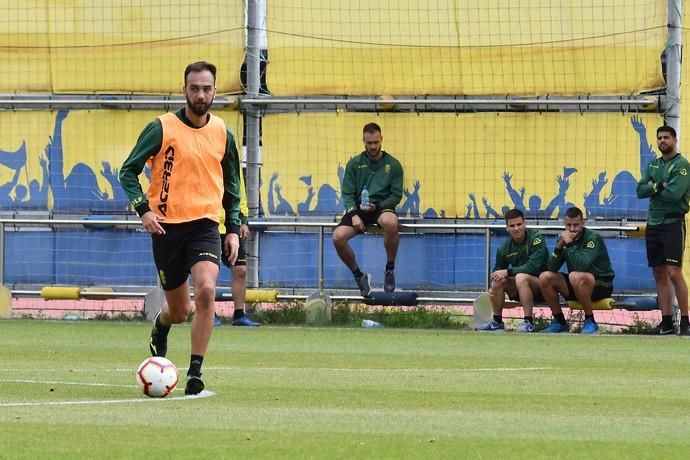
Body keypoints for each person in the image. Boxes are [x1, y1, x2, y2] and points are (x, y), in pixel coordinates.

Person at [119, 61, 242, 394]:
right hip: (166, 229)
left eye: (206, 88)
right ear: (184, 90)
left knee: (205, 291)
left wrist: (233, 228)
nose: (200, 94)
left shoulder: (223, 133)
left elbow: (232, 186)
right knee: (179, 309)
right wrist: (144, 211)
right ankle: (161, 326)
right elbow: (126, 172)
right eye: (194, 88)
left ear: (215, 91)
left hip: (204, 224)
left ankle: (195, 373)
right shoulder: (162, 127)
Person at [332, 122, 403, 297]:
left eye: (376, 142)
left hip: (381, 208)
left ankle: (389, 270)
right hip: (359, 209)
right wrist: (355, 215)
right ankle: (359, 276)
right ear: (363, 141)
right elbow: (347, 194)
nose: (373, 146)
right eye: (369, 143)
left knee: (391, 222)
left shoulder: (393, 165)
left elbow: (396, 196)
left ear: (381, 140)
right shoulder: (354, 164)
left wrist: (378, 206)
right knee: (338, 237)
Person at [636, 125, 690, 335]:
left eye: (666, 137)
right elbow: (640, 190)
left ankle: (685, 321)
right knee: (658, 272)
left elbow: (674, 195)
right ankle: (666, 322)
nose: (662, 141)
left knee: (674, 272)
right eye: (659, 138)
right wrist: (660, 186)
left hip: (672, 223)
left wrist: (654, 188)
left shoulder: (682, 166)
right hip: (654, 223)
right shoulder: (653, 165)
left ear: (675, 140)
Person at [539, 206, 615, 334]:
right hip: (577, 284)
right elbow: (551, 268)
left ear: (583, 223)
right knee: (545, 277)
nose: (572, 229)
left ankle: (590, 320)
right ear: (564, 224)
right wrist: (559, 247)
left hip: (601, 285)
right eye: (569, 225)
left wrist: (569, 244)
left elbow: (581, 265)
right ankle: (560, 321)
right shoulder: (564, 239)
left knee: (576, 275)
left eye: (576, 225)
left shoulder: (593, 238)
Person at [478, 208, 548, 333]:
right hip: (519, 287)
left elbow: (532, 267)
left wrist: (508, 272)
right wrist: (492, 287)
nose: (516, 228)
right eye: (512, 226)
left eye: (519, 224)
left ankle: (528, 322)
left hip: (543, 287)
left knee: (521, 276)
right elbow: (497, 272)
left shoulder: (537, 239)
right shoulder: (504, 248)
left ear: (524, 224)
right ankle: (497, 322)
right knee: (497, 281)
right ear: (507, 228)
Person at [219, 168, 259, 327]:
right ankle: (208, 313)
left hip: (231, 226)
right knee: (206, 272)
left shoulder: (230, 161)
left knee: (240, 270)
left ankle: (239, 314)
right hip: (208, 225)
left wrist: (243, 220)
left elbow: (239, 191)